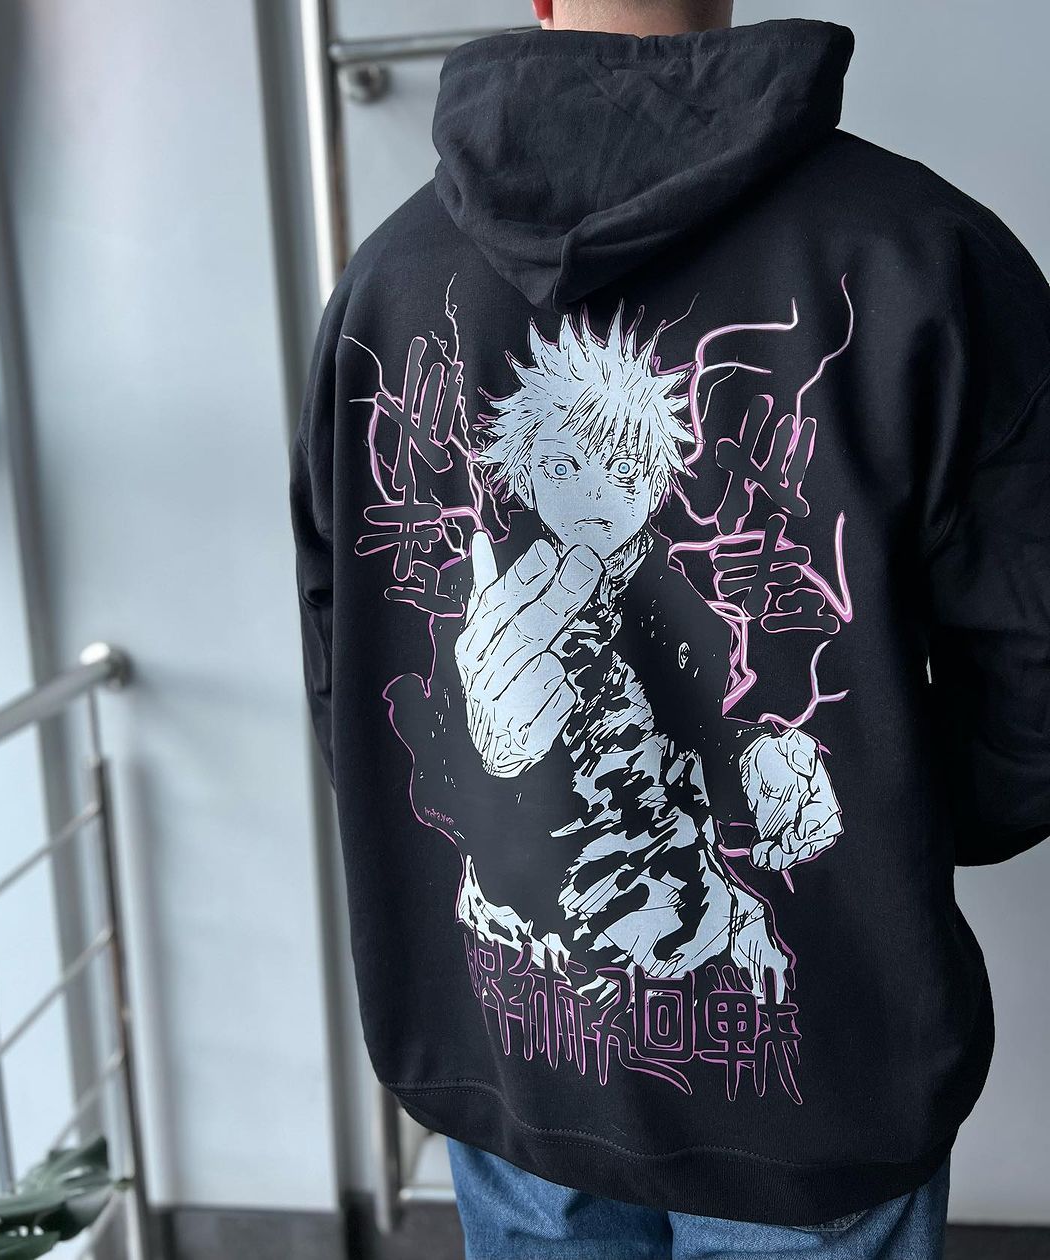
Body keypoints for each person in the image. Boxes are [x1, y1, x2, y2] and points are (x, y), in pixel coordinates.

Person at [289, 1, 1050, 1256]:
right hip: (795, 1076)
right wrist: (908, 823)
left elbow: (339, 662)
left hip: (524, 1048)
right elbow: (1031, 668)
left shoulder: (382, 281)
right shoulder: (927, 255)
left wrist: (770, 769)